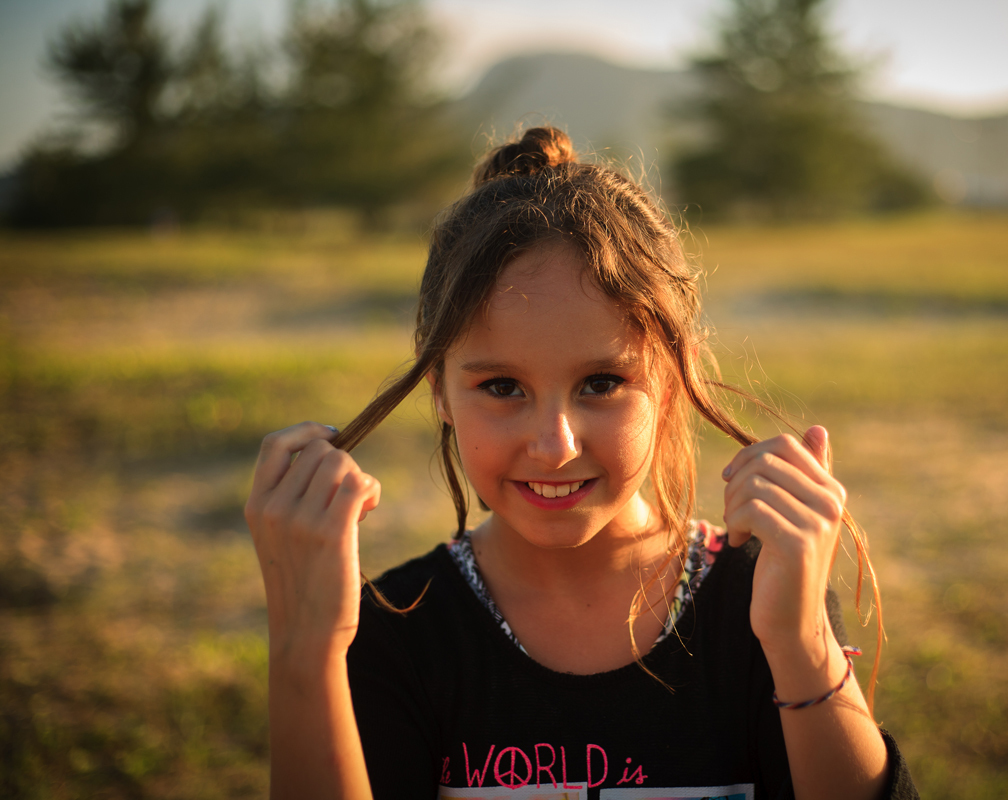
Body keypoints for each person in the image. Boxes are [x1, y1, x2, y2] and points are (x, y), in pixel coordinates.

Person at [245, 127, 919, 800]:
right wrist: (308, 649)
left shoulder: (761, 601)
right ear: (440, 391)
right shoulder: (398, 629)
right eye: (502, 387)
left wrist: (800, 641)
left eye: (601, 383)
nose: (555, 445)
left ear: (674, 380)